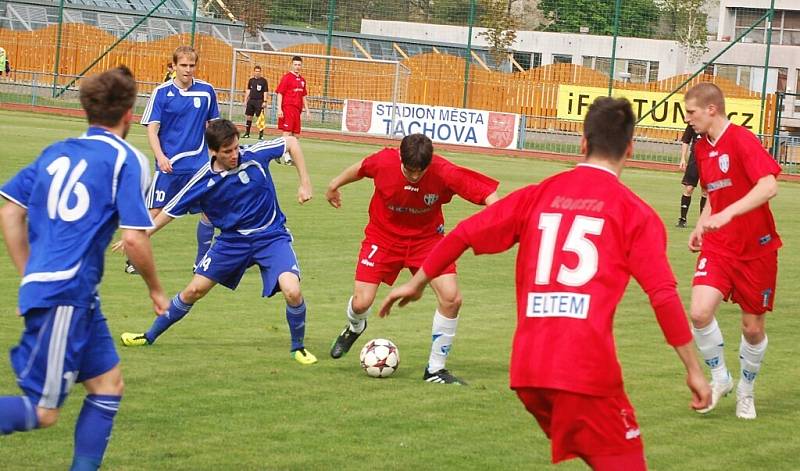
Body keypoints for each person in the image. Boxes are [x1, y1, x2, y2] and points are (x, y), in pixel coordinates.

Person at [380, 98, 710, 470]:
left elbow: (463, 233)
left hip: (529, 372)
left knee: (599, 456)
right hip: (584, 372)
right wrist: (695, 370)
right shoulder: (636, 214)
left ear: (582, 145)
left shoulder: (539, 194)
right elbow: (663, 296)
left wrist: (419, 281)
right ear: (630, 150)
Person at [0, 66, 169, 470]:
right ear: (129, 113)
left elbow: (10, 212)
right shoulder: (128, 159)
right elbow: (133, 238)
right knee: (43, 411)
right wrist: (156, 290)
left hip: (73, 294)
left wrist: (30, 274)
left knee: (108, 386)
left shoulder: (55, 152)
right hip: (66, 293)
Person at [119, 119, 318, 365]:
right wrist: (142, 235)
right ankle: (148, 336)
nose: (235, 155)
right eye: (227, 151)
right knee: (194, 290)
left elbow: (291, 142)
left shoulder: (254, 154)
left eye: (235, 148)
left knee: (292, 290)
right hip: (232, 242)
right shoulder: (202, 180)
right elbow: (169, 211)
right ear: (213, 152)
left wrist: (305, 183)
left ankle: (298, 347)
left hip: (271, 236)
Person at [326, 133, 499, 384]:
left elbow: (487, 195)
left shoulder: (443, 171)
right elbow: (362, 168)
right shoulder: (384, 161)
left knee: (452, 298)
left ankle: (435, 370)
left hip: (426, 241)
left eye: (421, 171)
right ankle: (355, 326)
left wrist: (499, 221)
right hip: (382, 238)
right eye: (410, 170)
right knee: (362, 303)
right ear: (400, 158)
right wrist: (334, 185)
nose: (415, 176)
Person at [684, 83, 781, 420]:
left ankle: (746, 390)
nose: (689, 120)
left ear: (712, 109)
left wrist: (729, 213)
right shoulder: (700, 147)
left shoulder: (742, 139)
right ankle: (720, 376)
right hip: (720, 245)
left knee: (752, 329)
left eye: (692, 113)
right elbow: (715, 192)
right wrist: (703, 222)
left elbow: (769, 185)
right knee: (698, 312)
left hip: (757, 248)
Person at [136, 46, 220, 275]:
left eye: (192, 65)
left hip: (199, 166)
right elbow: (152, 130)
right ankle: (135, 257)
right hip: (169, 166)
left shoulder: (206, 92)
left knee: (210, 211)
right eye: (183, 65)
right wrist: (161, 157)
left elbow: (213, 128)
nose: (188, 70)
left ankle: (201, 261)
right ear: (173, 66)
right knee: (155, 212)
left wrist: (214, 157)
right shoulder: (161, 93)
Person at [676, 123, 707, 228]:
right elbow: (686, 140)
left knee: (705, 190)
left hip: (708, 160)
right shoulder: (693, 122)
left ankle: (703, 221)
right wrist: (683, 158)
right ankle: (682, 219)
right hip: (694, 159)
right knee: (689, 188)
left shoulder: (712, 122)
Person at [276, 56, 310, 138]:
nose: (297, 67)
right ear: (291, 65)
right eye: (295, 64)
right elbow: (280, 93)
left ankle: (291, 150)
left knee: (296, 135)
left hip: (298, 110)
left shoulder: (302, 80)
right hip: (288, 108)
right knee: (287, 132)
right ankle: (284, 150)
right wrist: (279, 108)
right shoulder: (286, 78)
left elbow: (303, 96)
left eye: (299, 65)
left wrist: (307, 110)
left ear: (301, 66)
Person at [243, 65, 268, 140]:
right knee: (249, 116)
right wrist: (245, 100)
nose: (257, 73)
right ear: (254, 72)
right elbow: (248, 90)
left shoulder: (263, 81)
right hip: (251, 101)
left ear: (260, 72)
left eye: (258, 71)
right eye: (256, 71)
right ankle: (247, 133)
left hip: (259, 101)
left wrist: (265, 101)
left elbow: (265, 92)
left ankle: (261, 135)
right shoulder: (251, 80)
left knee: (260, 118)